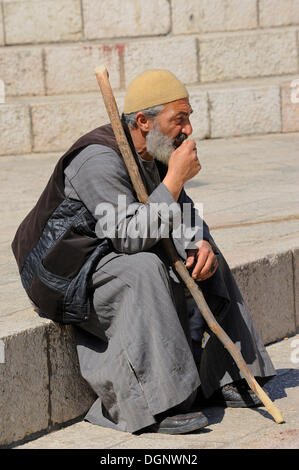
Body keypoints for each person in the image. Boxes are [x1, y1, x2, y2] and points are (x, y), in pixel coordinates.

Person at [12, 69, 276, 435]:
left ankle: (230, 373)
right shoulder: (97, 159)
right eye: (178, 120)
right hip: (64, 272)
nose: (187, 130)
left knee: (207, 254)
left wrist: (199, 244)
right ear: (143, 121)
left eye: (188, 119)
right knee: (144, 267)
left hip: (111, 252)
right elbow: (128, 238)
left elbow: (181, 214)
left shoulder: (156, 152)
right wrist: (174, 180)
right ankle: (156, 403)